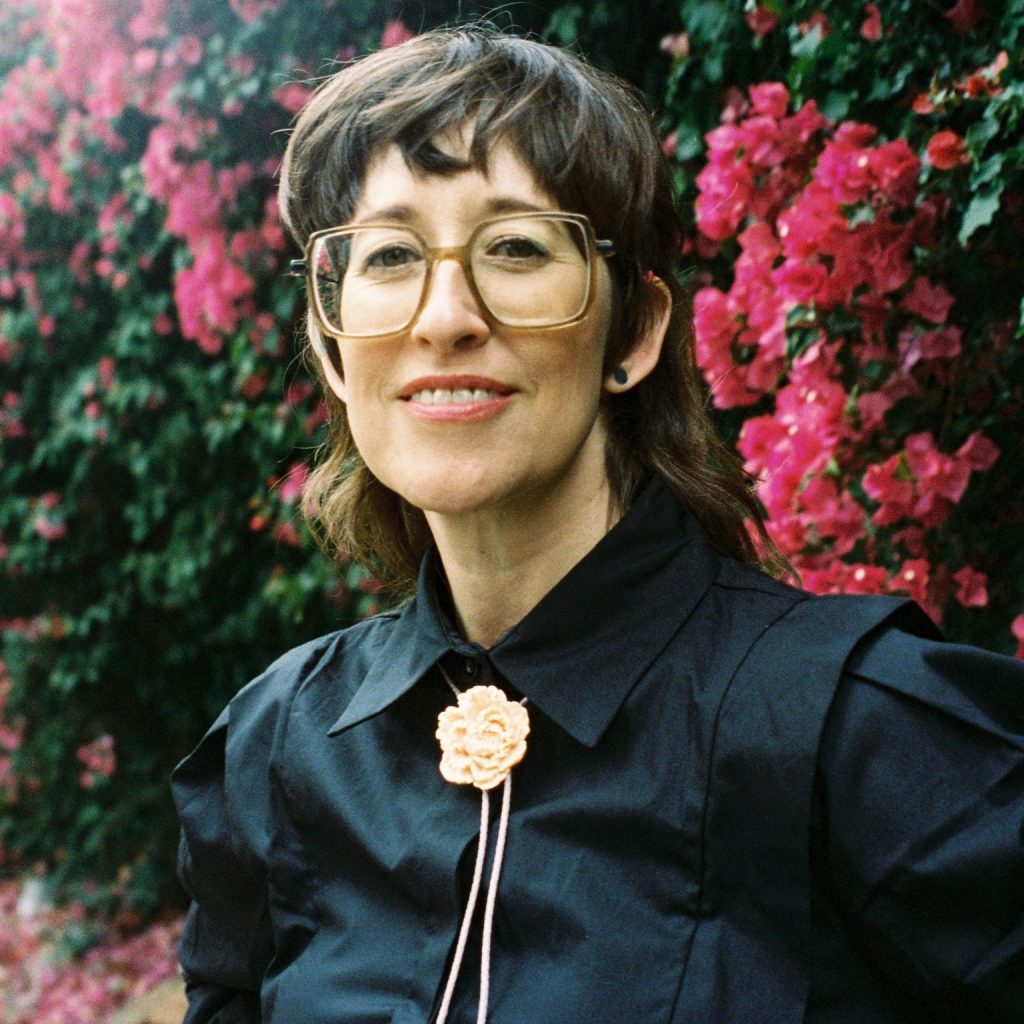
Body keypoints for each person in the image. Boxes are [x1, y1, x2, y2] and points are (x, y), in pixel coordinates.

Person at [171, 27, 1024, 1024]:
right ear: (331, 342)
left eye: (517, 247)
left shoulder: (859, 731)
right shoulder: (275, 748)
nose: (444, 316)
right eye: (392, 253)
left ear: (632, 332)